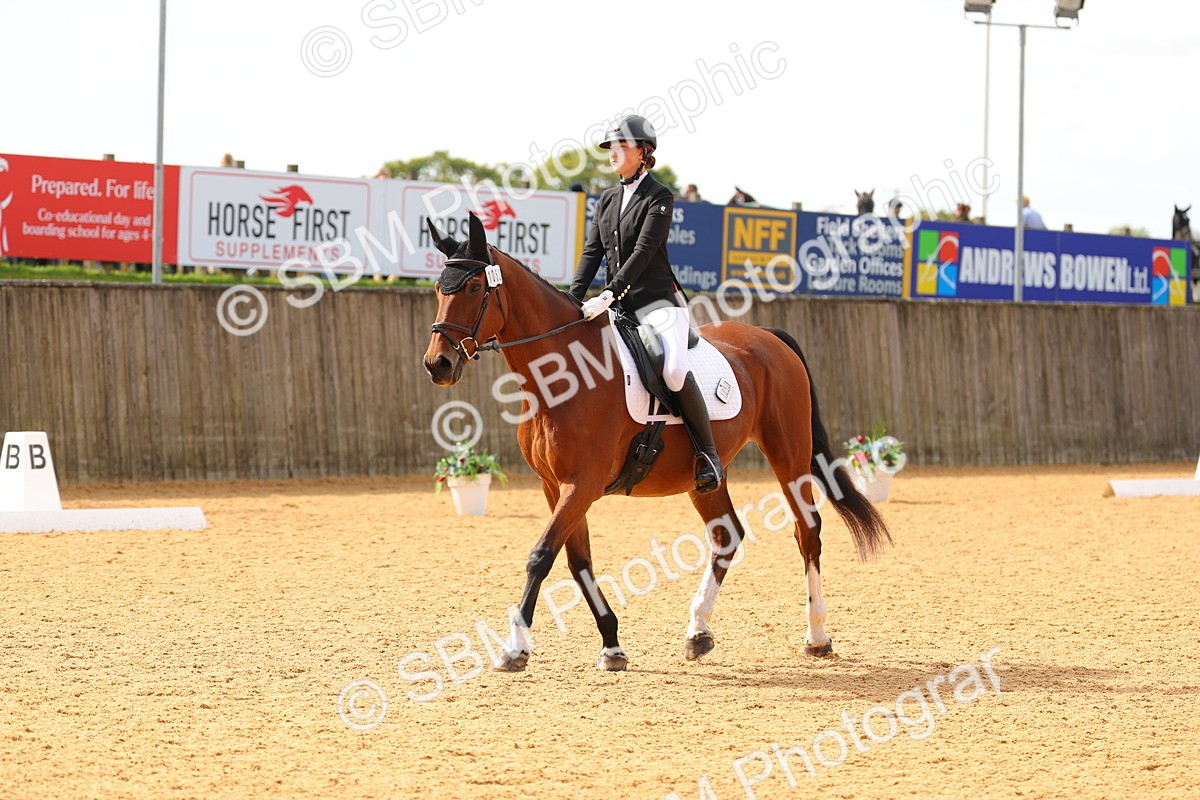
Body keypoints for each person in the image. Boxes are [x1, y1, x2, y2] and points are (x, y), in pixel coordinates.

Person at [569, 114, 724, 494]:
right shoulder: (605, 199)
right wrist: (573, 299)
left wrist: (610, 292)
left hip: (658, 305)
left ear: (644, 152)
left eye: (622, 147)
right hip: (619, 308)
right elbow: (592, 253)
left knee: (672, 370)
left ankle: (708, 455)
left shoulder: (660, 196)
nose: (613, 153)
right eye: (611, 147)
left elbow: (644, 251)